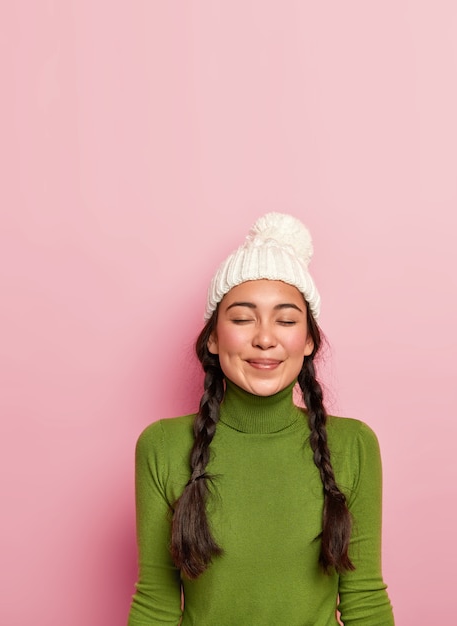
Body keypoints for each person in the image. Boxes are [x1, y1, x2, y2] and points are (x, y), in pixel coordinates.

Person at [127, 213, 394, 625]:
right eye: (242, 318)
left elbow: (365, 600)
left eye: (286, 320)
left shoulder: (353, 445)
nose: (265, 338)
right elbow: (155, 604)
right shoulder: (162, 446)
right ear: (213, 337)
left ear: (307, 340)